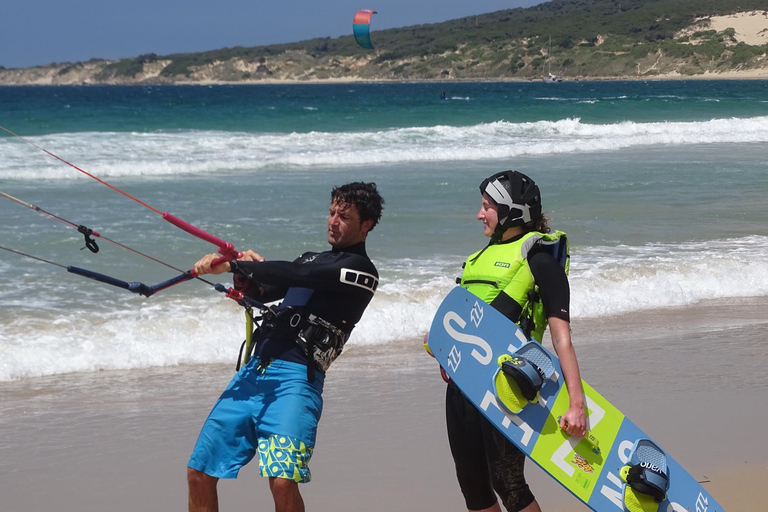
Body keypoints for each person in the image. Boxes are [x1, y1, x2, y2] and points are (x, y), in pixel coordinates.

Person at [187, 181, 384, 512]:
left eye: (345, 216)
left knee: (282, 480)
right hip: (253, 373)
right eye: (332, 212)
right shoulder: (311, 259)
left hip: (295, 382)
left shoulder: (361, 271)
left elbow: (298, 274)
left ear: (367, 225)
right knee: (199, 471)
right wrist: (242, 275)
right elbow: (259, 293)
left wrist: (238, 264)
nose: (333, 221)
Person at [432, 170, 586, 512]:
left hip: (508, 387)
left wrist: (577, 404)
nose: (479, 214)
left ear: (511, 211)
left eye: (487, 206)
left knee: (509, 484)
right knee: (472, 486)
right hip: (461, 386)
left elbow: (562, 340)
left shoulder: (541, 261)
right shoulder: (476, 260)